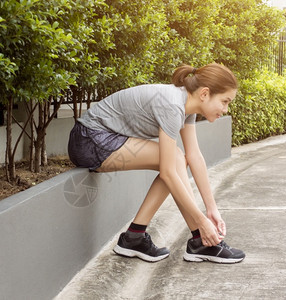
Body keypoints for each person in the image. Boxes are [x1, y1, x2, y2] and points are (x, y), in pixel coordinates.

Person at [68, 63, 245, 264]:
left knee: (177, 160)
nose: (225, 108)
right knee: (174, 161)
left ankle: (137, 237)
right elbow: (168, 172)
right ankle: (199, 240)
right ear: (205, 93)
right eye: (224, 101)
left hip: (103, 137)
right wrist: (202, 221)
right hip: (89, 140)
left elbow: (194, 156)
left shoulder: (186, 106)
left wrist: (211, 209)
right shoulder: (172, 106)